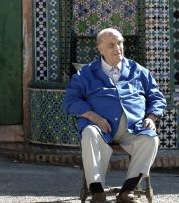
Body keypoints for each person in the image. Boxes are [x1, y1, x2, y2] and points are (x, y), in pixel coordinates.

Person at [63, 28, 166, 203]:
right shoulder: (86, 73)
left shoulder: (138, 71)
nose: (117, 48)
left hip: (133, 128)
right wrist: (92, 116)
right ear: (100, 49)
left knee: (151, 140)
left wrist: (151, 118)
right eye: (111, 45)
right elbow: (70, 101)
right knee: (88, 133)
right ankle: (97, 192)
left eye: (120, 43)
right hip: (101, 128)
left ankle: (127, 191)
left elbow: (157, 97)